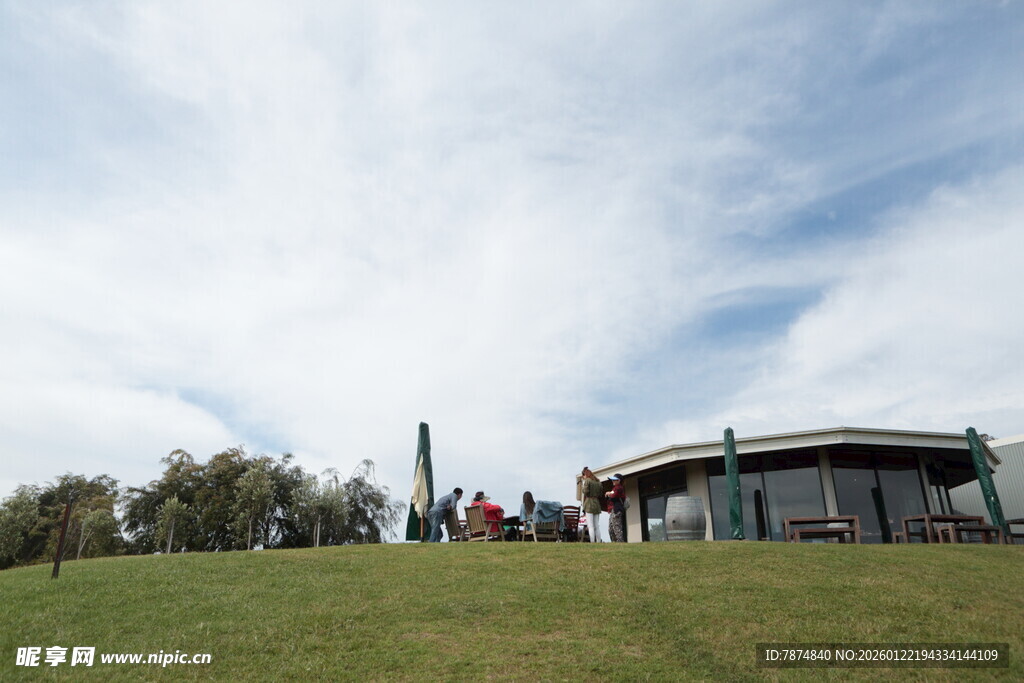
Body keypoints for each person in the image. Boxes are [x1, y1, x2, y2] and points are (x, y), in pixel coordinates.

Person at [580, 467, 604, 543]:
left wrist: (583, 485)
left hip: (589, 503)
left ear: (585, 475)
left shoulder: (587, 481)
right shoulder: (598, 482)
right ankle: (598, 541)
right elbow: (600, 494)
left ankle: (592, 542)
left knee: (590, 526)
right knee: (597, 525)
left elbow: (585, 491)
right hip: (596, 503)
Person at [605, 473, 626, 542]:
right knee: (611, 528)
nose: (612, 481)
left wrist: (609, 494)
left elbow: (614, 496)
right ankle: (614, 543)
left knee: (617, 527)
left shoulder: (619, 488)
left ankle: (620, 542)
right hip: (613, 510)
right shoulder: (615, 488)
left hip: (617, 510)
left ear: (618, 481)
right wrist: (610, 494)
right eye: (612, 480)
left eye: (614, 480)